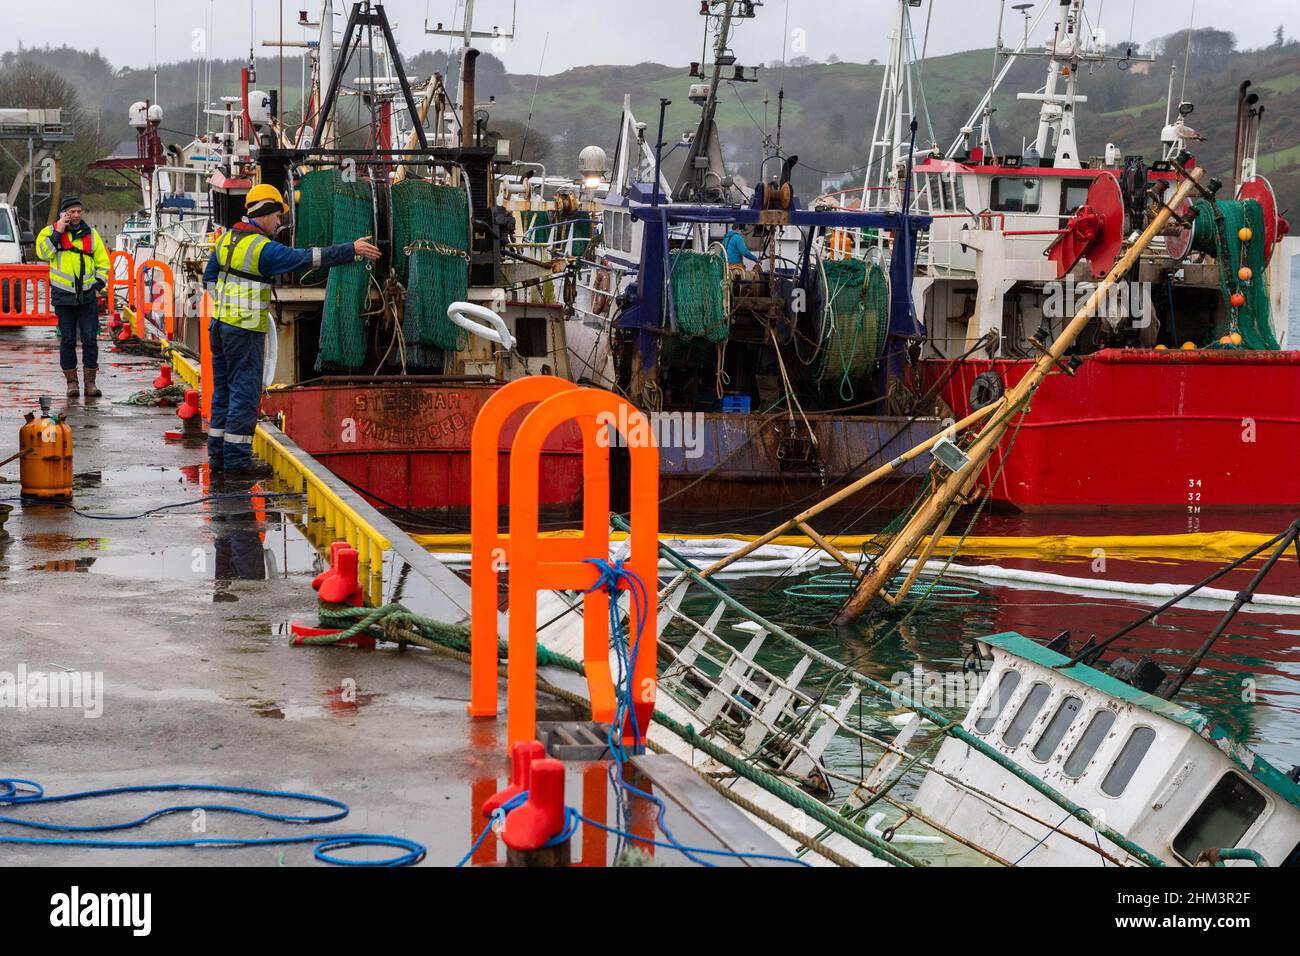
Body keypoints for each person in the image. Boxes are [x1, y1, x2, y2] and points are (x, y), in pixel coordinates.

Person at [202, 183, 380, 479]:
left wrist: (225, 306)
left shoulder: (226, 240)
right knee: (244, 394)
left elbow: (210, 278)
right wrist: (351, 250)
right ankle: (236, 464)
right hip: (244, 329)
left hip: (219, 326)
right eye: (277, 216)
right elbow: (306, 258)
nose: (279, 222)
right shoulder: (263, 249)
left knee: (223, 391)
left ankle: (218, 457)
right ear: (266, 212)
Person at [34, 197, 110, 398]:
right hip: (63, 297)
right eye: (72, 212)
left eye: (79, 211)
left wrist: (98, 286)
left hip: (87, 297)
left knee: (89, 339)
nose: (76, 215)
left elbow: (103, 263)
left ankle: (91, 384)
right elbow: (43, 253)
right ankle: (72, 384)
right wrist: (59, 230)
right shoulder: (48, 232)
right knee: (67, 340)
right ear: (64, 214)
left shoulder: (91, 235)